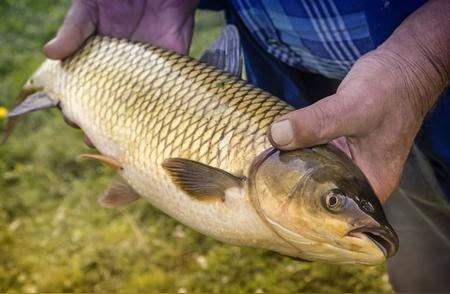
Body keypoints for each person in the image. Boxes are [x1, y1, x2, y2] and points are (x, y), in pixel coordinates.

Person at [44, 0, 449, 291]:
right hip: (292, 80)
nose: (338, 207)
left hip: (428, 90)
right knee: (424, 267)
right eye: (332, 201)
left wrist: (426, 62)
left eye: (332, 201)